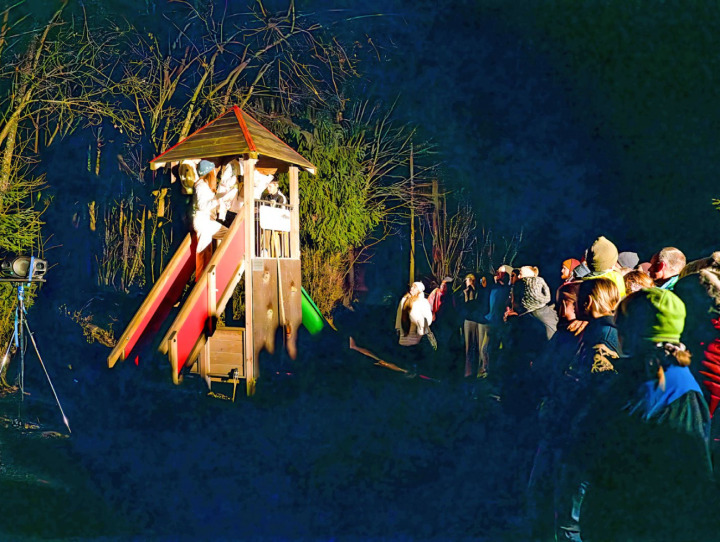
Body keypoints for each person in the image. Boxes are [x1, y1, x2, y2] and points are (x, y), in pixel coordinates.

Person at [576, 288, 714, 540]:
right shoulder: (669, 375)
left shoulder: (666, 391)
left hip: (635, 522)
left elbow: (589, 446)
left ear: (632, 332)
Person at [192, 159, 232, 277]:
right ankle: (201, 279)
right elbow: (203, 205)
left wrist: (221, 202)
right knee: (203, 252)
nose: (215, 174)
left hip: (206, 222)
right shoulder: (201, 186)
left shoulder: (204, 186)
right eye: (213, 172)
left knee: (227, 234)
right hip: (203, 222)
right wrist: (218, 201)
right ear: (209, 173)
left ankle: (208, 274)